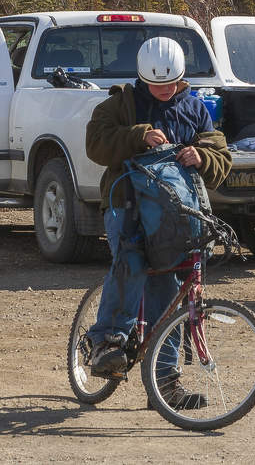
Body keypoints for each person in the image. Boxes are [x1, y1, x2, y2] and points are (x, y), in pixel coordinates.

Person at [84, 36, 233, 409]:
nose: (164, 90)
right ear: (141, 77)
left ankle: (164, 384)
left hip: (176, 215)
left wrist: (202, 156)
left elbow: (221, 156)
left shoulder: (196, 110)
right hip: (126, 205)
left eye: (170, 84)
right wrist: (138, 135)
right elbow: (96, 144)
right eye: (155, 84)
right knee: (130, 265)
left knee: (168, 293)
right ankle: (106, 343)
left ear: (182, 78)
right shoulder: (120, 104)